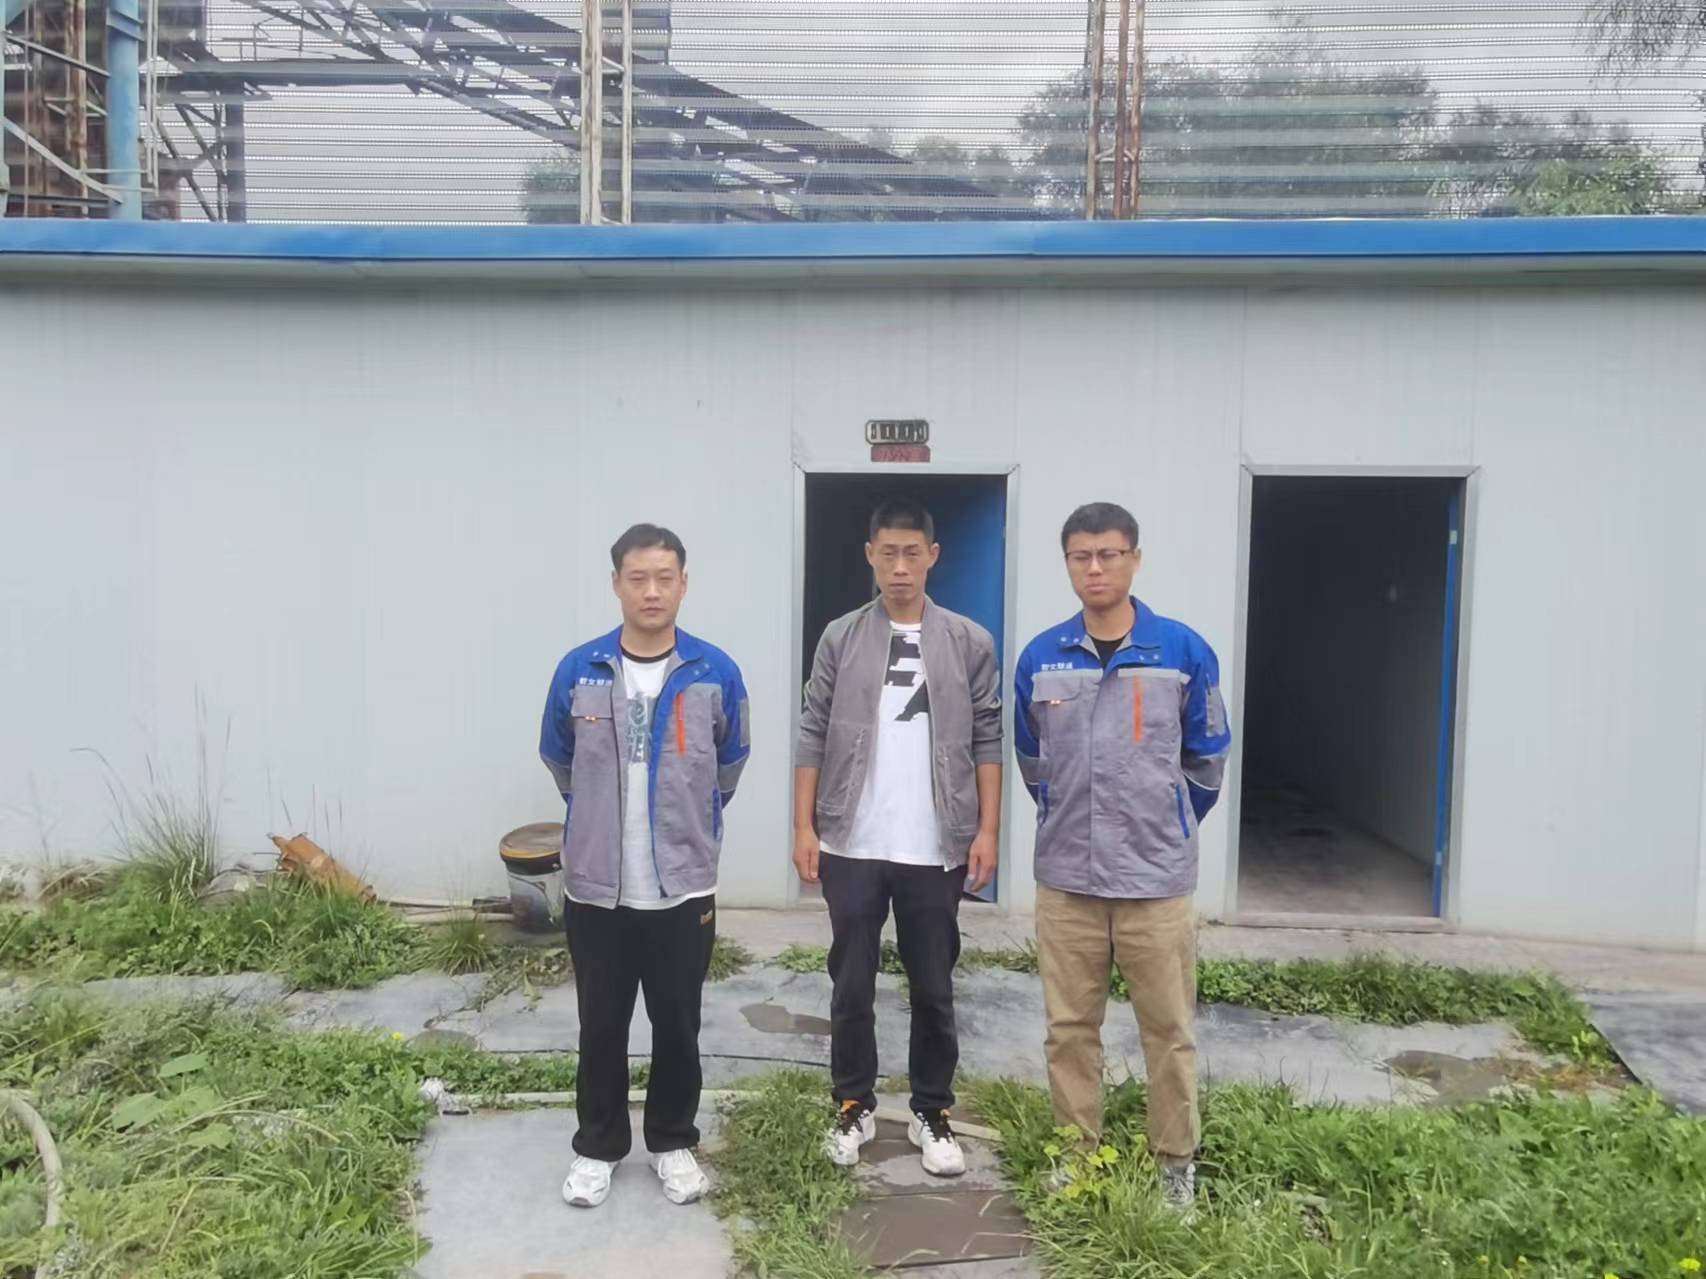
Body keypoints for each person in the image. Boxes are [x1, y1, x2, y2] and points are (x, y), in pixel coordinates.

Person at [1012, 501, 1231, 1210]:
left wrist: (1165, 822)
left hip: (1155, 881)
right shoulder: (1041, 656)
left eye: (1109, 554)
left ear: (1135, 558)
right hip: (1067, 881)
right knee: (1069, 1029)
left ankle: (1175, 1164)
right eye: (1081, 556)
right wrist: (1066, 818)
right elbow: (1032, 761)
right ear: (1067, 564)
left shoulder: (1182, 652)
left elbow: (1208, 758)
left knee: (1168, 1030)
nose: (1095, 568)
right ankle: (1077, 1155)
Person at [539, 523, 750, 1210]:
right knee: (600, 1024)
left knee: (678, 1023)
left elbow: (729, 764)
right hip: (597, 887)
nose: (652, 591)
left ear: (684, 584)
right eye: (638, 578)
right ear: (617, 584)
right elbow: (560, 760)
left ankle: (672, 1141)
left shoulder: (714, 672)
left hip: (682, 887)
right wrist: (597, 817)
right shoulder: (580, 669)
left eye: (665, 577)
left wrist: (688, 821)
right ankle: (597, 1147)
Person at [793, 498, 1003, 1177]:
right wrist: (804, 825)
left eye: (913, 553)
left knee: (934, 987)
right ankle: (853, 1103)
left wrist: (987, 829)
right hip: (852, 841)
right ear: (871, 555)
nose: (901, 566)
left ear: (933, 557)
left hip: (935, 845)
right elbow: (812, 729)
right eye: (889, 553)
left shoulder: (968, 640)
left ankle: (930, 1111)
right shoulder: (841, 637)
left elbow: (988, 736)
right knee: (851, 983)